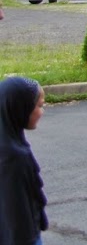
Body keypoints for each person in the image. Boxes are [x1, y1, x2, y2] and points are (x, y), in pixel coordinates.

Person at [0, 75, 47, 245]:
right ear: (20, 108)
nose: (42, 112)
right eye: (39, 106)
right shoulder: (12, 157)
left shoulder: (11, 143)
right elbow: (17, 217)